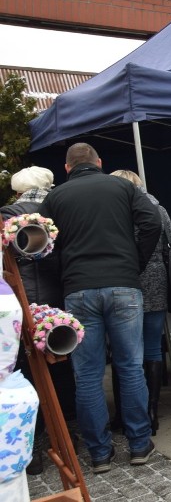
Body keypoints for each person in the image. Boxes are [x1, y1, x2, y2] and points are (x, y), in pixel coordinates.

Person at [39, 143, 161, 473]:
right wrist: (134, 261)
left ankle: (99, 454)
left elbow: (42, 245)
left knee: (88, 375)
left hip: (78, 290)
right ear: (100, 162)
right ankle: (138, 445)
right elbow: (153, 222)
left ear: (66, 168)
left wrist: (63, 273)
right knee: (130, 367)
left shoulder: (56, 198)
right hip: (123, 285)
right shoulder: (122, 186)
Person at [1, 166, 76, 476]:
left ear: (19, 191)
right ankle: (69, 428)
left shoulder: (8, 213)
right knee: (60, 359)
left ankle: (35, 444)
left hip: (23, 299)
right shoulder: (60, 207)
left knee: (28, 368)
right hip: (58, 291)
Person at [109, 169, 171, 437]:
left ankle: (125, 414)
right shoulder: (158, 209)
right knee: (152, 350)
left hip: (124, 280)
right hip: (156, 281)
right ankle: (152, 413)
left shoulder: (113, 212)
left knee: (123, 352)